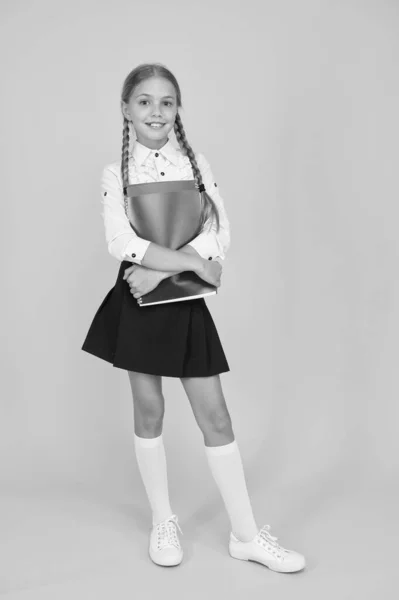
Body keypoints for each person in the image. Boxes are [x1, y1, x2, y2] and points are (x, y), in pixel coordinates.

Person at [82, 63, 306, 572]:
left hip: (175, 296)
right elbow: (121, 242)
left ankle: (246, 535)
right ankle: (163, 520)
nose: (155, 111)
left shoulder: (196, 162)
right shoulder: (116, 172)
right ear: (126, 110)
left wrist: (163, 271)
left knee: (217, 417)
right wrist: (188, 262)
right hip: (137, 304)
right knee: (149, 411)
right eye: (144, 101)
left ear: (177, 109)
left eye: (166, 101)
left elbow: (219, 234)